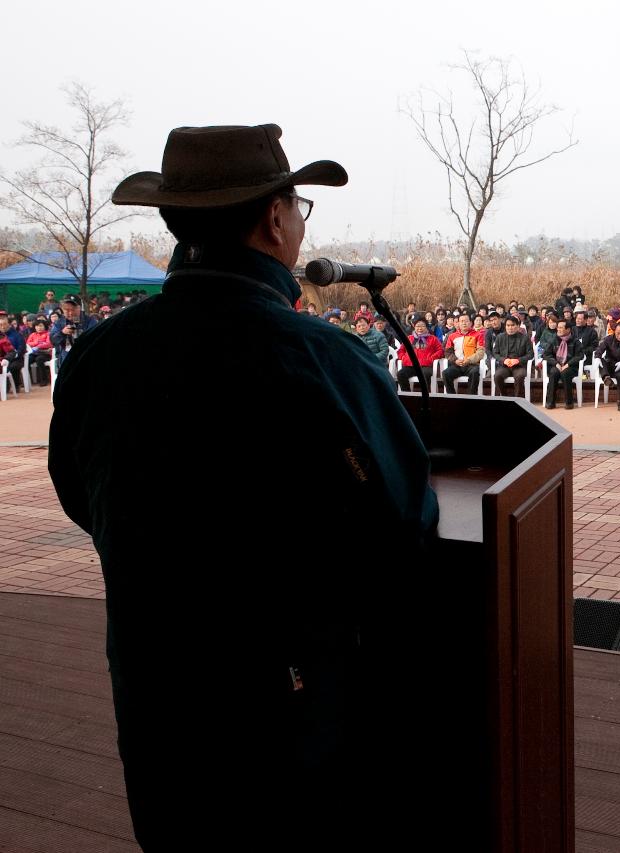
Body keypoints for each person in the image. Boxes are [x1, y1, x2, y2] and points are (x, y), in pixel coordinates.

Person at [48, 124, 436, 849]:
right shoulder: (324, 359)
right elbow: (405, 522)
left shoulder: (100, 355)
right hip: (283, 720)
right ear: (274, 218)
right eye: (298, 206)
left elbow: (80, 495)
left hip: (152, 699)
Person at [490, 314, 535, 397]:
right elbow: (495, 353)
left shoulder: (525, 338)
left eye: (513, 325)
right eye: (508, 325)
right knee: (497, 376)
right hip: (505, 365)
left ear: (518, 326)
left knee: (519, 376)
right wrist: (504, 360)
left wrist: (518, 360)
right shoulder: (500, 337)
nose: (510, 327)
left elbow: (530, 354)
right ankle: (505, 397)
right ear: (505, 326)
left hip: (519, 366)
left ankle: (518, 400)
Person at [396, 316, 445, 391]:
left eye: (422, 326)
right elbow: (401, 350)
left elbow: (440, 350)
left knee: (426, 374)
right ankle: (408, 396)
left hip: (425, 365)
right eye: (417, 326)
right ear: (414, 327)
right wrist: (403, 358)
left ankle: (426, 395)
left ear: (426, 327)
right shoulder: (409, 338)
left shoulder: (433, 338)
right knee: (400, 374)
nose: (420, 328)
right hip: (410, 365)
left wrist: (432, 358)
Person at [544, 318, 583, 409]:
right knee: (554, 372)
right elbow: (546, 354)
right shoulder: (554, 339)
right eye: (558, 327)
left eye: (561, 328)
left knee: (565, 373)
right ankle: (550, 402)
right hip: (556, 365)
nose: (558, 329)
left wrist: (567, 364)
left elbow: (579, 356)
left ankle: (569, 403)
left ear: (568, 329)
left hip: (571, 367)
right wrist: (556, 363)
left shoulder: (575, 341)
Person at [49, 294, 98, 367]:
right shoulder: (59, 323)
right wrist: (62, 333)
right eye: (67, 310)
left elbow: (95, 338)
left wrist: (79, 332)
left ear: (79, 308)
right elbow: (53, 340)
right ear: (62, 309)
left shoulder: (90, 321)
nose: (71, 313)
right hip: (67, 358)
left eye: (73, 309)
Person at [442, 313, 486, 394]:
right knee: (445, 373)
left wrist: (468, 360)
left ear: (471, 323)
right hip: (457, 364)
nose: (464, 323)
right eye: (461, 321)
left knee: (475, 373)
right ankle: (452, 398)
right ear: (458, 323)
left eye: (466, 321)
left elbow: (480, 352)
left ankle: (470, 398)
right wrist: (455, 360)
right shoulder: (452, 336)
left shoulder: (478, 335)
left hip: (472, 364)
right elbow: (448, 352)